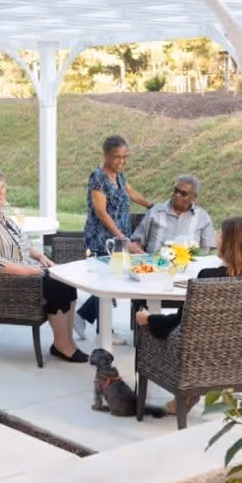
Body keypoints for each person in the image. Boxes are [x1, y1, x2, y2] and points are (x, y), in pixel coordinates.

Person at [0, 168, 87, 363]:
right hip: (5, 280)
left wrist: (39, 256)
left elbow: (22, 243)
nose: (2, 192)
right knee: (56, 284)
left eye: (2, 188)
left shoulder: (1, 216)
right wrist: (26, 270)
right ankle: (61, 345)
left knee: (65, 280)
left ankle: (67, 342)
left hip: (24, 270)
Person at [74, 135, 155, 340]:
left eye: (125, 157)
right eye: (117, 157)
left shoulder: (119, 176)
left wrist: (154, 207)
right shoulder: (98, 178)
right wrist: (123, 239)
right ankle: (101, 329)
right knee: (110, 280)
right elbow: (101, 213)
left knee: (113, 279)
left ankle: (88, 319)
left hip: (119, 236)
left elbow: (133, 194)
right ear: (105, 155)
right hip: (104, 237)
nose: (121, 161)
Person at [134, 215, 242, 338]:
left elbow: (181, 321)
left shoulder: (208, 277)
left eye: (219, 233)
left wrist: (149, 319)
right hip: (238, 345)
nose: (216, 236)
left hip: (193, 345)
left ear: (227, 242)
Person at [131, 174, 215, 253]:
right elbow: (138, 241)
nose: (177, 195)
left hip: (189, 266)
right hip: (155, 265)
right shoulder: (156, 211)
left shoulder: (202, 217)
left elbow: (207, 250)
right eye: (176, 191)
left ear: (194, 197)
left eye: (183, 193)